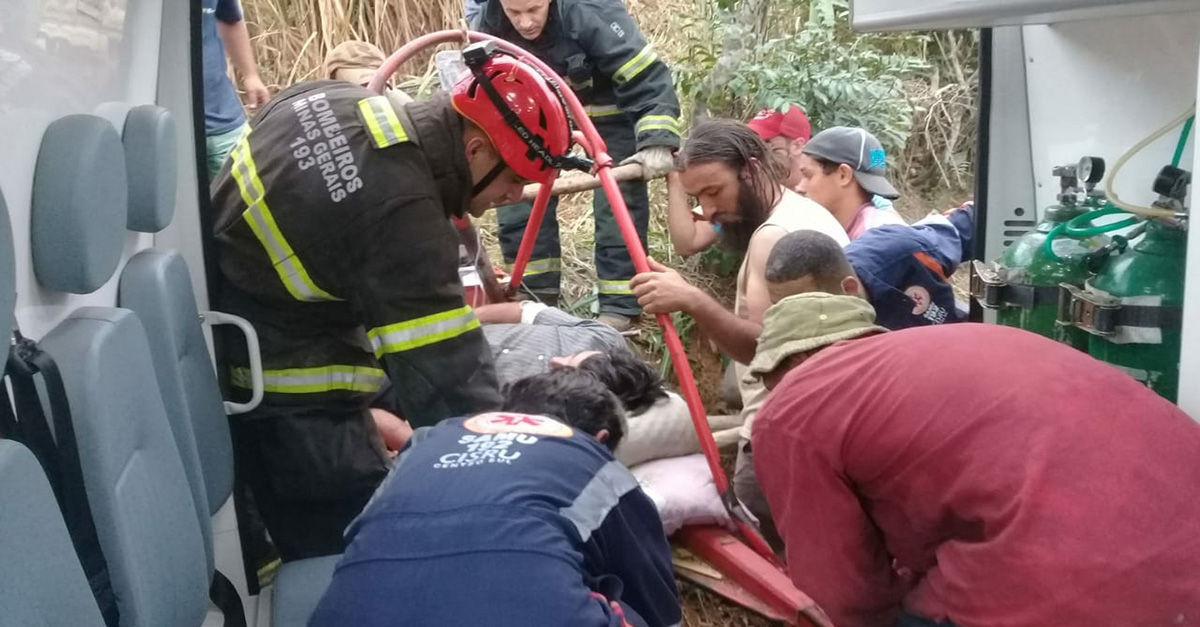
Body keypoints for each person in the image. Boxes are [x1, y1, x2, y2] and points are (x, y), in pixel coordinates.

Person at [210, 46, 575, 560]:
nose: (514, 196)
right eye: (515, 176)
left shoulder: (330, 98)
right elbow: (453, 391)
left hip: (245, 326)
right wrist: (515, 489)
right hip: (294, 401)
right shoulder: (404, 217)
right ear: (474, 150)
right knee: (358, 544)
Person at [747, 293, 1200, 627]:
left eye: (773, 381)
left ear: (801, 359)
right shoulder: (957, 345)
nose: (773, 396)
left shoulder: (793, 408)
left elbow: (844, 596)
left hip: (1076, 582)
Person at [310, 370, 683, 627]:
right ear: (601, 439)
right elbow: (656, 600)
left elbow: (359, 536)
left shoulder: (426, 444)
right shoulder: (593, 461)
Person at [632, 118, 847, 545]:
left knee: (760, 551)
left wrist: (693, 300)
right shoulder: (801, 213)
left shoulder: (775, 237)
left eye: (713, 192)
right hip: (820, 420)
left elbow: (770, 351)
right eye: (698, 197)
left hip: (780, 429)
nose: (708, 211)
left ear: (749, 170)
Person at [474, 0, 683, 330]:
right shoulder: (485, 19)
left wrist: (657, 138)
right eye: (515, 14)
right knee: (518, 199)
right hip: (535, 117)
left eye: (534, 9)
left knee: (617, 206)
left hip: (609, 115)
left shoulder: (590, 10)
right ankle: (534, 301)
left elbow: (644, 74)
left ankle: (620, 308)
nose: (526, 23)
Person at [765, 202, 975, 329]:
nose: (791, 319)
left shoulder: (902, 251)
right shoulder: (802, 336)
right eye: (779, 307)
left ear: (848, 288)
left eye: (801, 308)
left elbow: (970, 223)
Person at [796, 126, 907, 240]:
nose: (799, 188)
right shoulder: (841, 230)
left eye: (808, 176)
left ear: (843, 175)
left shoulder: (875, 240)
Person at [202, 0, 269, 179]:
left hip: (224, 118)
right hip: (173, 121)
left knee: (243, 190)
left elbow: (229, 18)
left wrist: (250, 75)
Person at [321, 39, 413, 106]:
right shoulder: (322, 110)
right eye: (360, 86)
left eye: (377, 83)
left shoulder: (399, 102)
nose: (369, 90)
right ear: (332, 79)